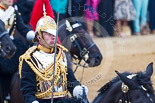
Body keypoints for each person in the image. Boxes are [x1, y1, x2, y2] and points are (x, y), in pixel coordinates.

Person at [19, 0, 88, 103]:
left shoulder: (62, 54)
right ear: (39, 36)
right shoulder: (29, 59)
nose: (53, 37)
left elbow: (71, 81)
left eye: (54, 33)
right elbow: (28, 92)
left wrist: (77, 89)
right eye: (48, 34)